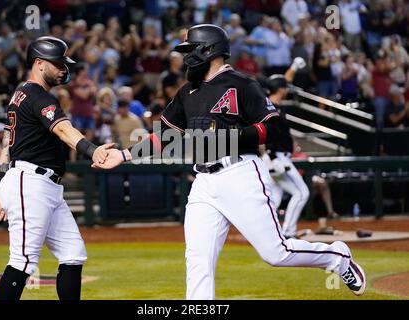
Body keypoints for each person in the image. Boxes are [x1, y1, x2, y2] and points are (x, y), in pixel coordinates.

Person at [96, 24, 366, 299]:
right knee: (198, 261)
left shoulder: (242, 84)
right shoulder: (188, 91)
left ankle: (337, 256)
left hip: (240, 173)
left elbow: (272, 127)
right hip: (203, 182)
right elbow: (164, 136)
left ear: (208, 50)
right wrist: (125, 154)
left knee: (276, 252)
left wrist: (235, 136)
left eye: (190, 50)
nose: (185, 57)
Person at [0, 36, 112, 300]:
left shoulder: (20, 94)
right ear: (38, 63)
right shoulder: (36, 95)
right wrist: (93, 150)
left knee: (73, 253)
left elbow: (6, 144)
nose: (63, 69)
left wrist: (2, 184)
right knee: (22, 261)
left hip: (39, 183)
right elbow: (63, 129)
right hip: (30, 181)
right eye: (57, 63)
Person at [260, 62, 310, 239]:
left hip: (276, 157)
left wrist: (294, 68)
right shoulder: (271, 108)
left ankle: (266, 232)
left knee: (275, 197)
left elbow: (282, 80)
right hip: (277, 158)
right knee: (302, 192)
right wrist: (272, 157)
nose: (287, 89)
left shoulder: (272, 105)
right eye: (284, 87)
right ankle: (288, 231)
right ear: (280, 89)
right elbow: (268, 136)